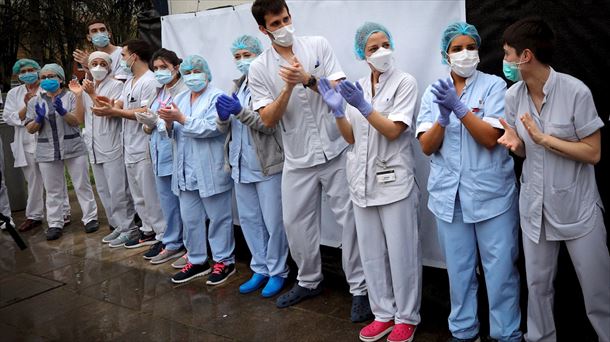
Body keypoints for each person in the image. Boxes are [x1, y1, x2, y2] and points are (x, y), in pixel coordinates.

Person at [248, 0, 370, 322]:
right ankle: (308, 280)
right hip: (298, 157)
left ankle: (360, 288)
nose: (284, 27)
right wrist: (287, 87)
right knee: (295, 223)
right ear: (263, 29)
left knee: (351, 222)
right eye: (275, 24)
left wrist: (308, 79)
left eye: (286, 19)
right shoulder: (259, 68)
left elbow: (341, 90)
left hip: (336, 149)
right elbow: (268, 118)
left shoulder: (317, 45)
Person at [497, 17, 609, 342]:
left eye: (507, 54)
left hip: (578, 209)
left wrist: (544, 139)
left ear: (526, 56)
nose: (504, 62)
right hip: (535, 210)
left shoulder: (576, 92)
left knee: (598, 289)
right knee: (536, 286)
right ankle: (540, 338)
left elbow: (593, 153)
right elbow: (523, 152)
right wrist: (517, 145)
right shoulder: (513, 97)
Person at [416, 22, 521, 342]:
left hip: (492, 196)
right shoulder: (434, 91)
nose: (464, 54)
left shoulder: (493, 87)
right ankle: (464, 332)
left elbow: (491, 137)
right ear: (445, 54)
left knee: (501, 272)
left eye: (470, 47)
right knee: (459, 274)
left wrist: (459, 109)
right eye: (456, 49)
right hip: (450, 199)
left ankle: (507, 334)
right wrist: (443, 117)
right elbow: (426, 146)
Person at [318, 22, 421, 342]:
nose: (381, 52)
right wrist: (338, 111)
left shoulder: (405, 82)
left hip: (394, 182)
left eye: (385, 44)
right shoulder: (357, 85)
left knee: (402, 252)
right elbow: (350, 137)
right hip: (361, 183)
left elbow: (393, 130)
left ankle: (406, 316)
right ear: (362, 54)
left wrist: (363, 106)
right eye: (373, 48)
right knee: (372, 254)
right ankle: (382, 313)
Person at [215, 35, 289, 297]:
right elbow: (224, 127)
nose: (242, 60)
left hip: (267, 165)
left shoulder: (269, 84)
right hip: (239, 165)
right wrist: (223, 118)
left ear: (259, 55)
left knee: (273, 222)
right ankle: (260, 268)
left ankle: (278, 270)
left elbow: (268, 124)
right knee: (249, 221)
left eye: (247, 54)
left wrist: (238, 112)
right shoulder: (236, 86)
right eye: (237, 56)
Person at [157, 55, 236, 286]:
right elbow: (166, 128)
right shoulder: (179, 97)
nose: (192, 76)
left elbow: (214, 128)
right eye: (188, 72)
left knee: (219, 218)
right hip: (184, 170)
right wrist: (169, 122)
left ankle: (224, 261)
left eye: (197, 71)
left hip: (210, 169)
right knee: (190, 219)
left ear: (206, 73)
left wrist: (181, 118)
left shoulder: (217, 96)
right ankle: (197, 259)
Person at [91, 39, 166, 248]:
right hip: (130, 146)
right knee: (138, 194)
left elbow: (146, 112)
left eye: (123, 55)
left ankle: (162, 234)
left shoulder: (150, 81)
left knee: (150, 194)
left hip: (144, 145)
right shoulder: (131, 81)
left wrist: (115, 111)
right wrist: (110, 105)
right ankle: (147, 230)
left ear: (134, 56)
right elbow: (121, 104)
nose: (121, 60)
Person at [25, 63, 100, 240]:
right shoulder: (35, 101)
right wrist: (38, 119)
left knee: (82, 184)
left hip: (73, 147)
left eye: (51, 76)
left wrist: (62, 111)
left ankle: (90, 218)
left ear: (60, 78)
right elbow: (30, 129)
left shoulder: (71, 97)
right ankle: (55, 223)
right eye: (43, 77)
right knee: (53, 189)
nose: (47, 80)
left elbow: (77, 120)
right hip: (46, 150)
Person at [70, 51, 137, 245]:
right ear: (88, 67)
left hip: (112, 143)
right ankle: (116, 226)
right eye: (94, 64)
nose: (98, 67)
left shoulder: (116, 85)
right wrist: (79, 95)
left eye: (102, 63)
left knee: (118, 189)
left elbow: (108, 112)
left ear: (109, 67)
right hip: (93, 145)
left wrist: (91, 94)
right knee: (103, 189)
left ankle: (128, 227)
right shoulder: (87, 87)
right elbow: (80, 119)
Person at [3, 59, 71, 232]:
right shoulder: (14, 93)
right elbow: (9, 118)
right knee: (33, 180)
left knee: (55, 180)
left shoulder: (47, 88)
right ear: (18, 75)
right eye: (23, 71)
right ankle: (34, 215)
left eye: (31, 70)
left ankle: (63, 212)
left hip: (48, 140)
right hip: (25, 142)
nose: (27, 73)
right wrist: (27, 106)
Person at [135, 48, 187, 264]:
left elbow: (182, 122)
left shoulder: (184, 91)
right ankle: (172, 242)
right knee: (168, 204)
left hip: (177, 154)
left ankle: (190, 247)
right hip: (159, 155)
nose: (159, 72)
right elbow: (151, 126)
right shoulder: (159, 91)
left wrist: (158, 122)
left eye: (164, 67)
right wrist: (148, 123)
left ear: (176, 67)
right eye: (156, 68)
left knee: (186, 205)